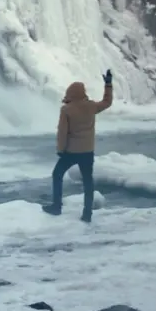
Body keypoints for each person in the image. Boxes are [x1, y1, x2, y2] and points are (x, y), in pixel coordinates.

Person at [43, 69, 113, 221]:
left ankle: (56, 206)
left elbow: (62, 132)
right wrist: (108, 84)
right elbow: (107, 102)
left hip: (71, 152)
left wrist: (60, 150)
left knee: (57, 175)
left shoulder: (66, 110)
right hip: (87, 152)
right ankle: (87, 213)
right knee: (88, 181)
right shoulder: (91, 106)